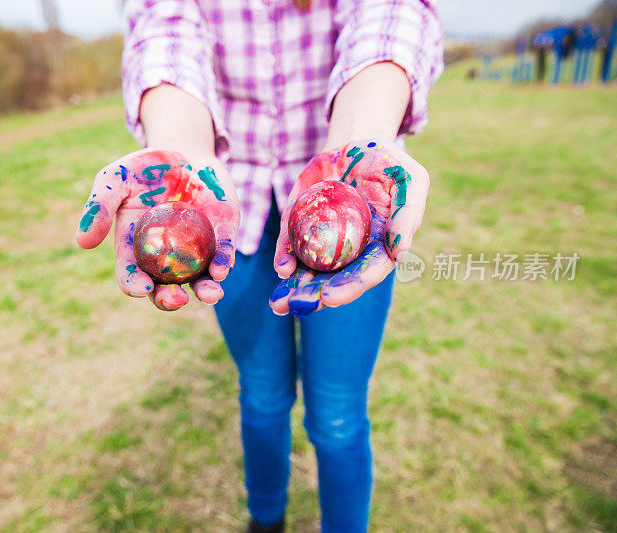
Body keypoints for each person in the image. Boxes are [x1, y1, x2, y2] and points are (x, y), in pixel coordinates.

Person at [76, 0, 443, 530]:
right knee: (264, 396)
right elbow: (166, 27)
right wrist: (180, 145)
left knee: (338, 415)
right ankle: (265, 521)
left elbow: (389, 15)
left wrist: (359, 136)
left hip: (349, 194)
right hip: (231, 206)